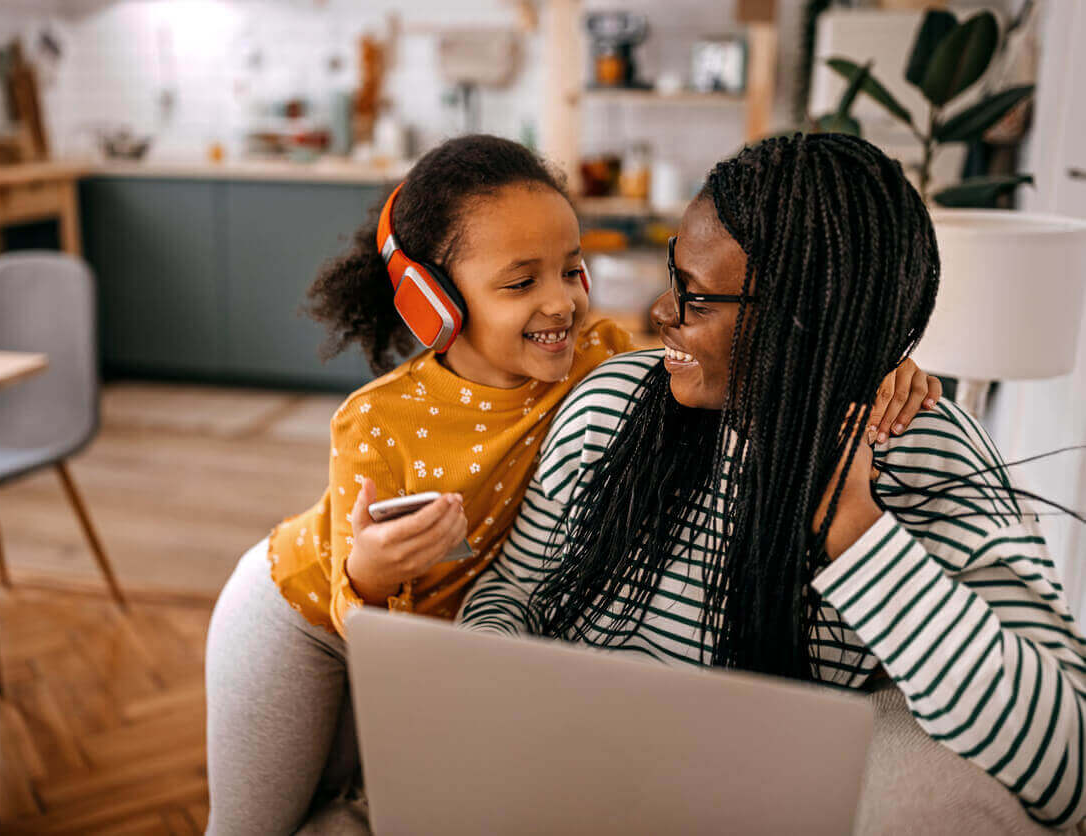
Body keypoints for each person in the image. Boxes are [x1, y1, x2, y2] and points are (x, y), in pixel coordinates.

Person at [205, 134, 938, 835]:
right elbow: (347, 596)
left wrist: (867, 359)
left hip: (430, 644)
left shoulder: (602, 358)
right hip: (304, 616)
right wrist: (369, 570)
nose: (561, 301)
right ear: (431, 301)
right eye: (522, 282)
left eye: (570, 268)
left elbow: (723, 358)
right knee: (253, 824)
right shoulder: (375, 421)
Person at [459, 132, 1086, 829]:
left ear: (799, 321)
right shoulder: (612, 403)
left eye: (695, 300)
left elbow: (1069, 766)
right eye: (676, 281)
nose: (660, 315)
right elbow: (517, 591)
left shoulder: (925, 457)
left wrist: (856, 531)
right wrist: (488, 701)